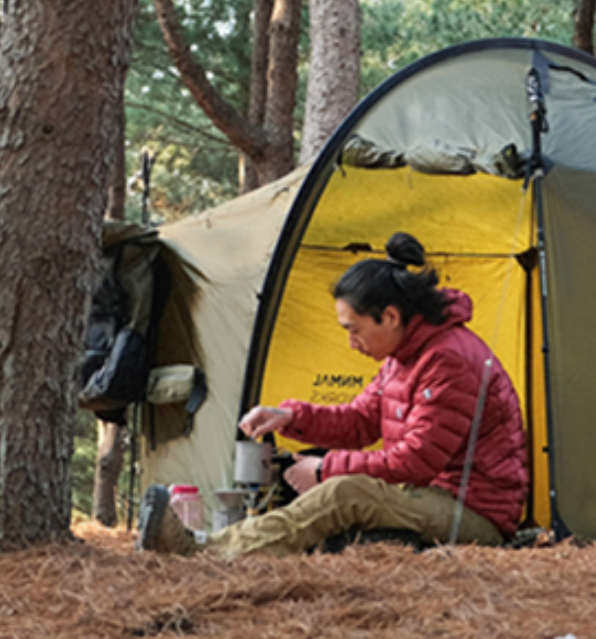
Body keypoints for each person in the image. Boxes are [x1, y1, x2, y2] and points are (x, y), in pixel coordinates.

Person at [136, 232, 530, 557]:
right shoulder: (404, 356)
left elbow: (414, 461)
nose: (351, 342)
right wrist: (291, 417)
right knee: (337, 483)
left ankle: (207, 552)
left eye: (354, 329)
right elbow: (360, 421)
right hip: (429, 496)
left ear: (390, 317)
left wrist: (325, 470)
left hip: (474, 513)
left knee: (344, 491)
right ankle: (222, 544)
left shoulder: (447, 360)